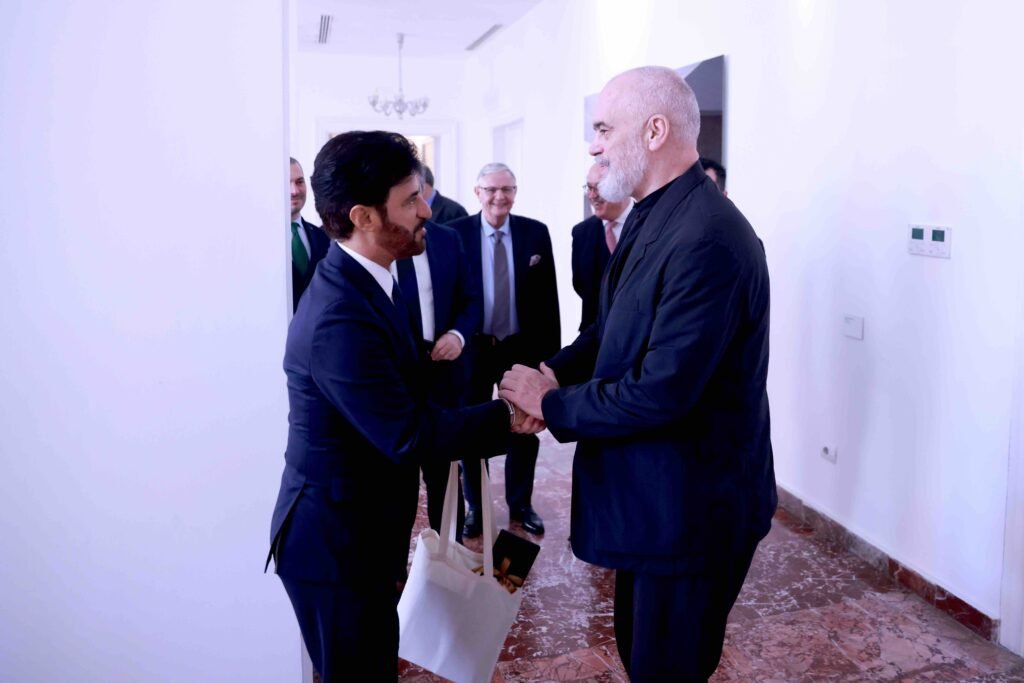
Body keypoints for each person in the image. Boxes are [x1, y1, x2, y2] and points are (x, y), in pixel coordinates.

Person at [499, 67, 777, 682]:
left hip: (690, 512)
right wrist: (550, 373)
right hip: (654, 506)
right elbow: (611, 328)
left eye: (604, 129)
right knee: (641, 654)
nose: (593, 146)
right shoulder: (657, 213)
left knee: (665, 668)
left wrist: (552, 404)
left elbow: (661, 392)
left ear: (654, 131)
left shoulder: (708, 237)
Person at [266, 131, 538, 682]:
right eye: (411, 200)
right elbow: (407, 434)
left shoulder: (371, 280)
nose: (427, 210)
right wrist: (507, 418)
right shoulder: (340, 316)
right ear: (364, 217)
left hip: (364, 529)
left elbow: (402, 381)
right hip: (335, 545)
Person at [448, 162, 560, 538]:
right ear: (477, 193)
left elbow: (548, 301)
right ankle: (476, 507)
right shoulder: (455, 234)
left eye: (507, 189)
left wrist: (549, 361)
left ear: (515, 192)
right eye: (492, 190)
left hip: (519, 347)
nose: (500, 197)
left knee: (524, 426)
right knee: (471, 428)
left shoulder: (535, 233)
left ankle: (520, 504)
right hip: (473, 350)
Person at [392, 211, 480, 548]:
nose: (421, 208)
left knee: (444, 475)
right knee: (398, 482)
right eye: (409, 198)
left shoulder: (447, 238)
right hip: (395, 379)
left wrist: (458, 335)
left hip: (442, 373)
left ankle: (450, 557)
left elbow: (471, 299)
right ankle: (394, 567)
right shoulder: (377, 243)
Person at [572, 163, 633, 330]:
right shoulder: (581, 233)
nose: (592, 195)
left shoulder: (648, 223)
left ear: (621, 187)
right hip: (595, 334)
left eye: (598, 188)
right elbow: (580, 285)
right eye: (589, 188)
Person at [289, 157, 331, 312]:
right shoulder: (262, 242)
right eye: (287, 184)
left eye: (299, 182)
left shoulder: (323, 237)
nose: (295, 191)